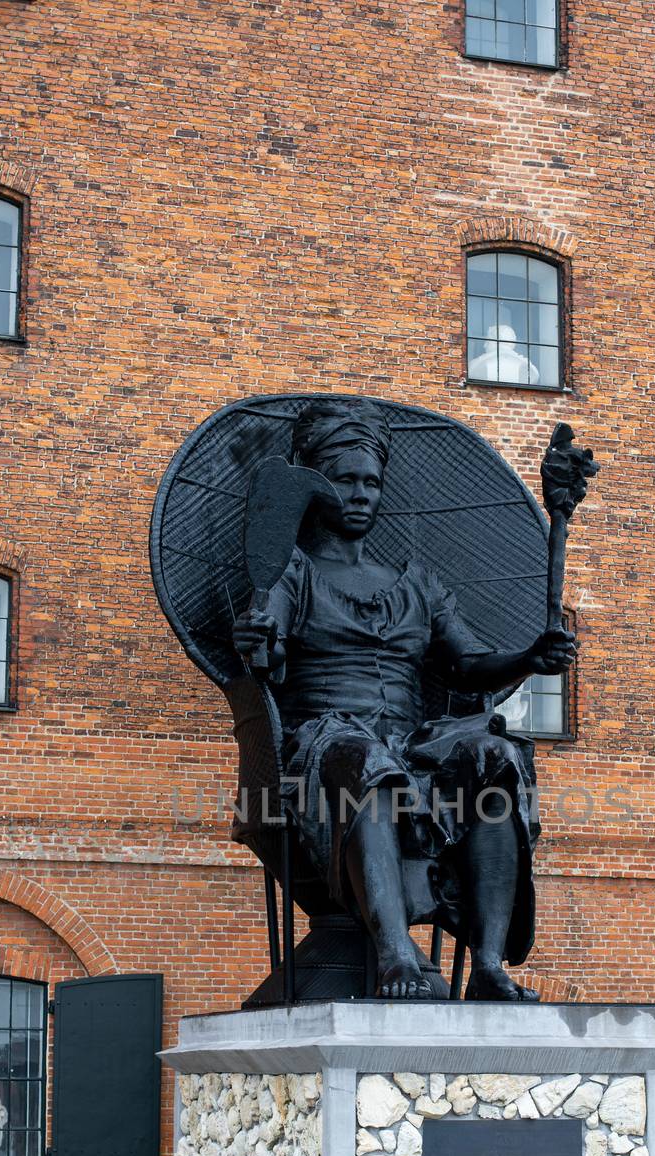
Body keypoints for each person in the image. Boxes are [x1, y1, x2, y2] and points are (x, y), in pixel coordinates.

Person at [233, 398, 575, 1001]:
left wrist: (530, 655)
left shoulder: (417, 583)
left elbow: (469, 665)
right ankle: (395, 956)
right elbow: (268, 655)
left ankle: (489, 967)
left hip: (413, 743)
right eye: (345, 481)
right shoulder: (292, 574)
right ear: (315, 487)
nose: (361, 494)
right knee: (366, 765)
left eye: (372, 482)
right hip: (323, 743)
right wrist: (258, 643)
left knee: (498, 761)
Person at [467, 324, 541, 386]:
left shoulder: (476, 363)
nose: (484, 345)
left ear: (497, 340)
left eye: (488, 341)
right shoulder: (528, 366)